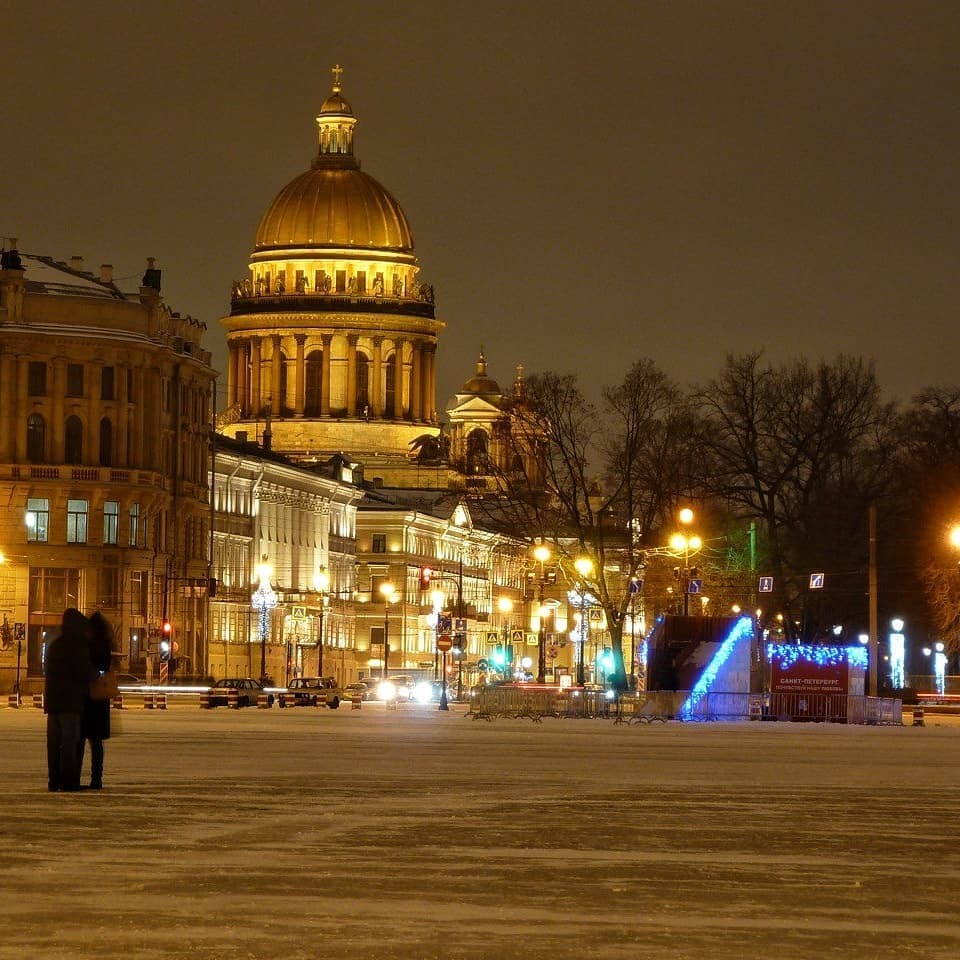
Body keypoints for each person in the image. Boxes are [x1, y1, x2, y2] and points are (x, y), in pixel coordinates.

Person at [44, 609, 94, 792]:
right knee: (69, 743)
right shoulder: (78, 646)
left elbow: (48, 672)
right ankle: (68, 782)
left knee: (53, 744)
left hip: (53, 703)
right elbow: (83, 673)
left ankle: (53, 780)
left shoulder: (55, 645)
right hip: (71, 704)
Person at [79, 612, 114, 790]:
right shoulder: (106, 645)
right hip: (101, 700)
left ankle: (74, 777)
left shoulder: (88, 645)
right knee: (96, 742)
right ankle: (96, 778)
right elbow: (105, 668)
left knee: (80, 739)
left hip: (87, 698)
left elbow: (85, 669)